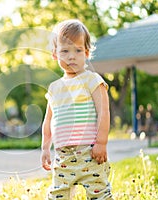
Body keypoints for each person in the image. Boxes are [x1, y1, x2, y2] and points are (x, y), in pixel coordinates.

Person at [41, 19, 113, 199]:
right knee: (58, 194)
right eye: (65, 51)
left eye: (78, 50)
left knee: (100, 193)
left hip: (90, 153)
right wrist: (45, 148)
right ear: (55, 54)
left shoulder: (92, 80)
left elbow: (104, 111)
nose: (71, 56)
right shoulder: (54, 88)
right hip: (63, 157)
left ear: (87, 52)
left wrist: (101, 142)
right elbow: (48, 120)